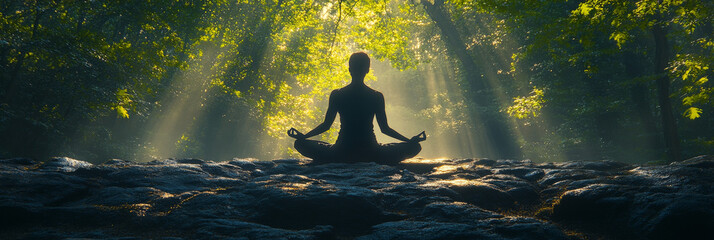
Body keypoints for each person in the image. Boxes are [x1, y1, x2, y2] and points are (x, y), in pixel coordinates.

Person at [287, 52, 426, 165]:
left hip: (341, 152)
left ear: (349, 69)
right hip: (371, 152)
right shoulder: (376, 96)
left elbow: (326, 125)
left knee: (300, 144)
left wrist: (303, 137)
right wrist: (409, 141)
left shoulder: (338, 94)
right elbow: (385, 129)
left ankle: (331, 155)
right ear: (367, 70)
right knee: (415, 147)